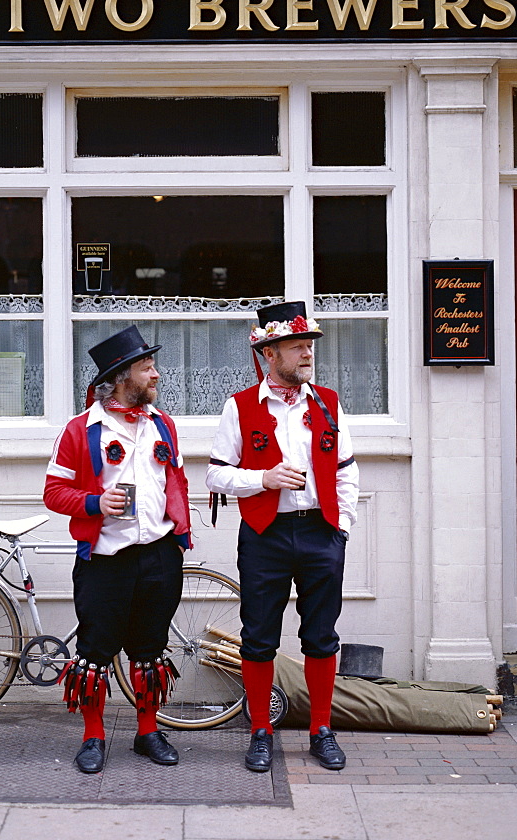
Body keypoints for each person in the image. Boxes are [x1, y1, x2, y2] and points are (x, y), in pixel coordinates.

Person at [206, 301, 359, 773]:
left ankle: (320, 730)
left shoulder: (328, 402)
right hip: (264, 534)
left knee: (321, 635)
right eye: (297, 347)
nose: (307, 354)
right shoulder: (240, 406)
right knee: (258, 638)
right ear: (268, 354)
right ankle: (260, 732)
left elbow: (348, 471)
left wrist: (342, 531)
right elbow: (215, 476)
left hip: (320, 531)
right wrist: (262, 479)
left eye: (309, 346)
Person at [44, 325, 191, 774]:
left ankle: (148, 731)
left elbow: (176, 479)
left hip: (160, 554)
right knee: (95, 650)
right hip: (106, 559)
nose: (157, 375)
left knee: (150, 648)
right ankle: (93, 737)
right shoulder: (79, 430)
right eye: (148, 368)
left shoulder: (162, 424)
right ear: (123, 376)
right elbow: (53, 492)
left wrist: (181, 534)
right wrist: (94, 502)